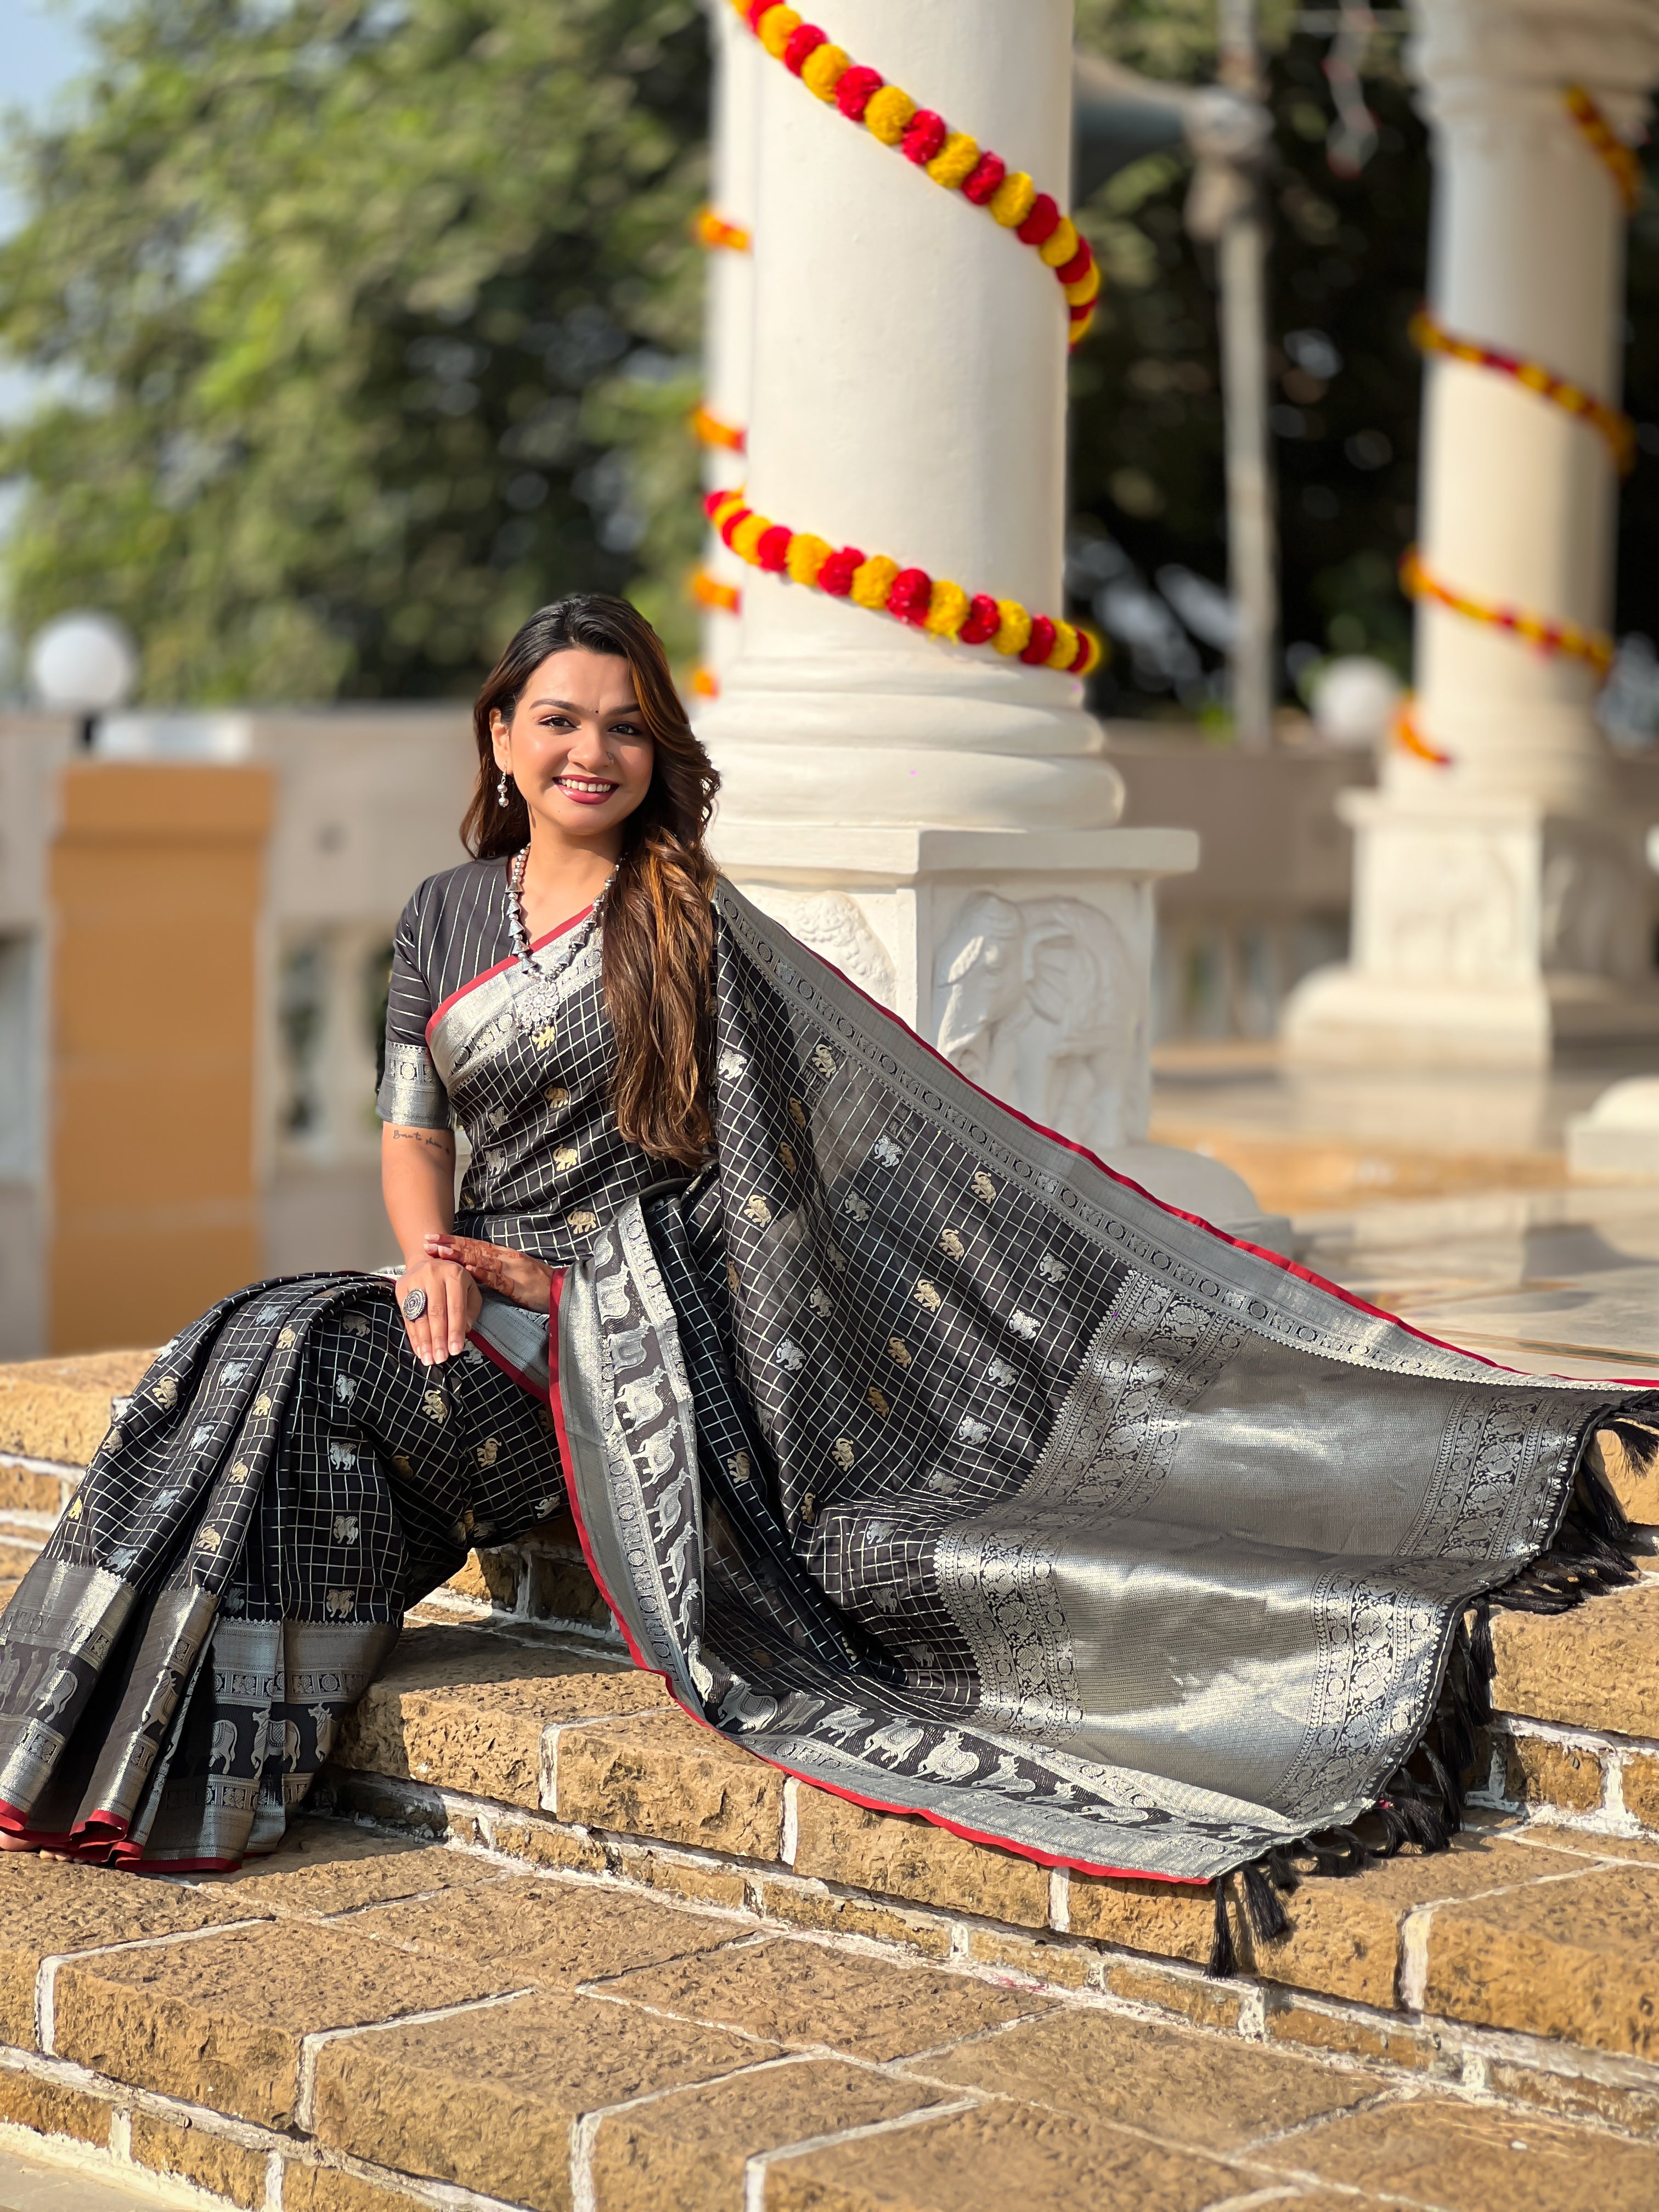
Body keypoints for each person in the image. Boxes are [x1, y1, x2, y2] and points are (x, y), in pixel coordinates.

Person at [0, 596, 1649, 1957]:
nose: (592, 752)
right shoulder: (443, 914)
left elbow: (773, 1210)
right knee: (264, 1331)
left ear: (661, 755)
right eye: (560, 720)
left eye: (626, 726)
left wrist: (560, 1276)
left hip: (620, 1363)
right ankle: (112, 1749)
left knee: (295, 1347)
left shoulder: (691, 932)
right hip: (472, 1310)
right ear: (502, 738)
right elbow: (407, 1120)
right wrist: (435, 1249)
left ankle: (186, 1765)